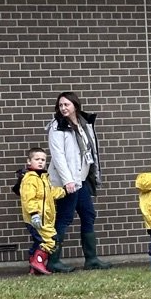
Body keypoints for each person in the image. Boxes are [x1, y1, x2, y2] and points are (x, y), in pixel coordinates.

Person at [46, 91, 110, 272]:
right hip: (68, 181)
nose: (63, 108)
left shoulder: (83, 123)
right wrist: (67, 181)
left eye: (66, 104)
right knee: (64, 217)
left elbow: (90, 151)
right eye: (60, 105)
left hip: (81, 180)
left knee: (88, 215)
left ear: (75, 105)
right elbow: (58, 156)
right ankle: (53, 261)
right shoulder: (57, 126)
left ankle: (91, 259)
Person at [13, 146, 66, 275]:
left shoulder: (43, 177)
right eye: (37, 159)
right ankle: (38, 262)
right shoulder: (30, 179)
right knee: (50, 240)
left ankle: (34, 265)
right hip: (36, 218)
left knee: (39, 241)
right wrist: (34, 214)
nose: (40, 162)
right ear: (29, 161)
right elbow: (28, 199)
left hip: (45, 218)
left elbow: (50, 193)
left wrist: (64, 191)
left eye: (43, 159)